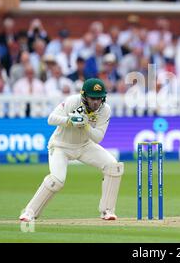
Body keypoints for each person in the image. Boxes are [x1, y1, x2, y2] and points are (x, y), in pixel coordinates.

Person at [19, 78, 124, 222]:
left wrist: (85, 124)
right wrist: (69, 120)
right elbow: (51, 119)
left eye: (99, 99)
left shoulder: (105, 110)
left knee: (114, 166)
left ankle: (107, 210)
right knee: (57, 180)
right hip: (61, 146)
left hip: (85, 146)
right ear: (84, 96)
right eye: (93, 98)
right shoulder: (73, 101)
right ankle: (29, 212)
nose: (96, 102)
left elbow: (98, 138)